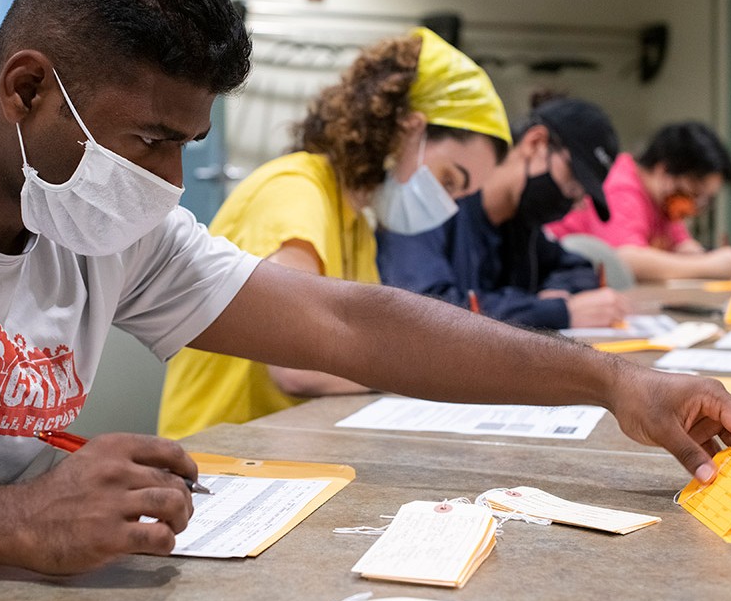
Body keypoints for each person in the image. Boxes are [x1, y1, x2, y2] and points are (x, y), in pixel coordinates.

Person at [0, 0, 731, 578]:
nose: (167, 182)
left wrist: (612, 381)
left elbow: (348, 324)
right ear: (28, 90)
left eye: (185, 147)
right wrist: (7, 521)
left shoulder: (107, 226)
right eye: (151, 141)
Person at [158, 27, 512, 439]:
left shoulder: (356, 223)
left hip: (282, 447)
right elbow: (297, 370)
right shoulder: (295, 192)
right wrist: (427, 372)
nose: (445, 207)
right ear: (406, 128)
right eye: (449, 180)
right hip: (216, 458)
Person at [377, 98, 630, 330]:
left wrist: (557, 291)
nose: (571, 201)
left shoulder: (520, 225)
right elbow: (422, 306)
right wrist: (554, 312)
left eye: (579, 195)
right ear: (536, 143)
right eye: (572, 184)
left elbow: (577, 268)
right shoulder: (434, 204)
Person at [547, 121, 731, 282]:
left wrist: (699, 256)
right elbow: (626, 258)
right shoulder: (621, 186)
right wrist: (709, 266)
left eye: (705, 199)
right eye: (695, 192)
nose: (696, 205)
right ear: (664, 169)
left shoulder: (663, 202)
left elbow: (683, 247)